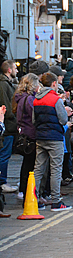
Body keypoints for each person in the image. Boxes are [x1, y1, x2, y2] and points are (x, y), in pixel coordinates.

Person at [32, 72, 73, 211]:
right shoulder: (56, 100)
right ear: (54, 84)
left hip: (40, 137)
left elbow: (34, 120)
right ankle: (56, 201)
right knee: (56, 169)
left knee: (38, 169)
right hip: (54, 137)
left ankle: (34, 198)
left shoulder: (36, 99)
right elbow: (63, 119)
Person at [13, 73, 40, 198]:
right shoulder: (29, 99)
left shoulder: (19, 97)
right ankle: (26, 190)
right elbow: (34, 116)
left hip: (24, 132)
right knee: (30, 164)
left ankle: (23, 189)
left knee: (27, 163)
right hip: (30, 133)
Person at [0, 60, 18, 193]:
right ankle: (2, 182)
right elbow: (6, 105)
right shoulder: (3, 85)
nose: (17, 71)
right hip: (7, 126)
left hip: (9, 125)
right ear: (9, 70)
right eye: (15, 68)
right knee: (4, 155)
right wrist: (14, 115)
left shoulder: (7, 84)